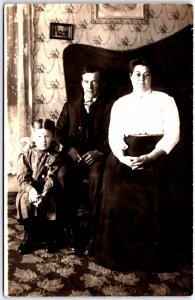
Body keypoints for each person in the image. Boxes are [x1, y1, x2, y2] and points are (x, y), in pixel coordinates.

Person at [94, 57, 180, 271]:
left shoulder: (165, 100)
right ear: (131, 77)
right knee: (115, 186)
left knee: (158, 192)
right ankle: (120, 256)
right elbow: (114, 135)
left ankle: (153, 259)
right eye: (138, 74)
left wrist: (152, 156)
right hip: (126, 153)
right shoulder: (120, 103)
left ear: (152, 77)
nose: (142, 78)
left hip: (157, 153)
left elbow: (173, 134)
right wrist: (123, 158)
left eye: (147, 74)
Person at [55, 65, 114, 255]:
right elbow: (57, 134)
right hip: (74, 157)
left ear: (100, 84)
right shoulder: (71, 105)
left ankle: (94, 233)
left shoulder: (110, 106)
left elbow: (113, 136)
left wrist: (98, 152)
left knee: (97, 176)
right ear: (82, 83)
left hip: (96, 158)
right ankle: (73, 229)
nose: (90, 86)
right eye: (86, 82)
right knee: (63, 174)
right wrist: (69, 149)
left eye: (94, 82)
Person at [16, 119, 64, 254]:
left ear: (52, 136)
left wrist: (44, 193)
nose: (43, 140)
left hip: (47, 188)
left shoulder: (55, 155)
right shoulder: (26, 154)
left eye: (47, 136)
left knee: (53, 199)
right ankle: (29, 234)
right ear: (33, 137)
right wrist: (31, 191)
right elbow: (22, 177)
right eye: (39, 136)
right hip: (30, 188)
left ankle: (51, 235)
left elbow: (52, 176)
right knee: (25, 199)